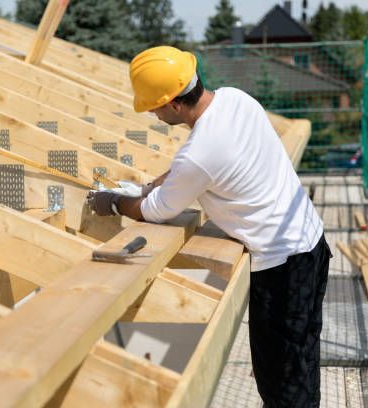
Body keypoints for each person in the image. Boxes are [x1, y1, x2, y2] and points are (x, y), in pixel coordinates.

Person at [87, 46, 332, 407]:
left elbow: (157, 210)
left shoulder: (199, 152)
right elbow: (186, 174)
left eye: (154, 106)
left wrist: (115, 202)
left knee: (284, 388)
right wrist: (147, 186)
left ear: (173, 103)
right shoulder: (235, 99)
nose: (153, 114)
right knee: (302, 363)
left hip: (282, 268)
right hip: (311, 242)